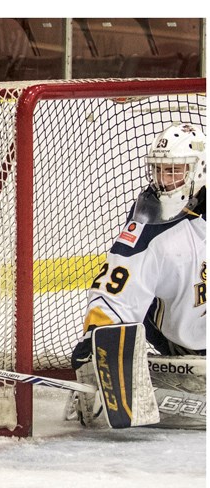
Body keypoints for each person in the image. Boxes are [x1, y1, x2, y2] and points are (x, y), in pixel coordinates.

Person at [69, 122, 206, 428]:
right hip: (188, 345)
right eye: (158, 171)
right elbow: (117, 285)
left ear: (200, 171)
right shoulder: (147, 227)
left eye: (172, 171)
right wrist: (97, 336)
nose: (163, 181)